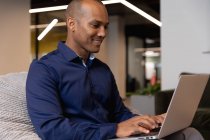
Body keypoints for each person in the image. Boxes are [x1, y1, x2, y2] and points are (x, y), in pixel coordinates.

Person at [26, 0, 204, 140]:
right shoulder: (44, 69)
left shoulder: (102, 69)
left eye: (105, 26)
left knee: (188, 133)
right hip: (95, 137)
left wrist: (146, 121)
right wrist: (116, 129)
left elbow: (118, 112)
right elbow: (52, 129)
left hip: (115, 135)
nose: (103, 33)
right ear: (72, 24)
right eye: (95, 25)